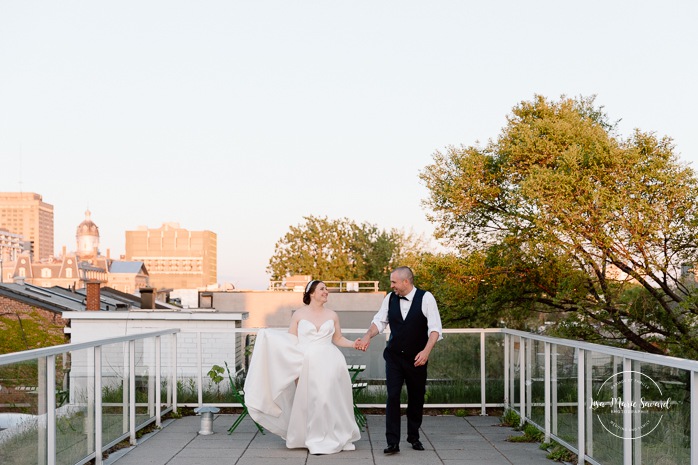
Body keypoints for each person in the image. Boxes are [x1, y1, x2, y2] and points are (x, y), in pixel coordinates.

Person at [244, 280, 361, 455]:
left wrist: (354, 344)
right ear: (312, 293)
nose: (326, 291)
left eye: (326, 289)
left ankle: (334, 435)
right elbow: (291, 342)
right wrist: (270, 339)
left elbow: (337, 339)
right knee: (314, 401)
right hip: (307, 362)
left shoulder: (332, 315)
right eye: (322, 289)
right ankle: (313, 438)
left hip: (331, 361)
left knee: (330, 399)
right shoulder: (299, 314)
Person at [355, 266, 442, 454]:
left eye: (394, 282)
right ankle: (392, 442)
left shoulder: (426, 298)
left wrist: (426, 352)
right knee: (392, 396)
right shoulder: (390, 298)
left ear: (406, 281)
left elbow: (435, 329)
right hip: (394, 357)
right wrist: (367, 336)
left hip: (417, 358)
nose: (391, 285)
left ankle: (413, 436)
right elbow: (379, 321)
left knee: (416, 398)